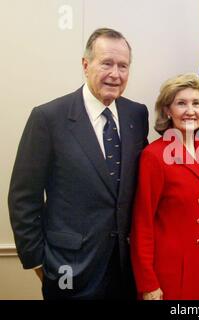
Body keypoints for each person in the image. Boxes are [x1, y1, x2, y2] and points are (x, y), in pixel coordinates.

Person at [8, 28, 149, 299]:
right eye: (106, 63)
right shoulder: (48, 118)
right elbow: (23, 197)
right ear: (86, 65)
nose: (115, 74)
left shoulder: (136, 114)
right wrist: (38, 260)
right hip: (68, 267)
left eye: (123, 66)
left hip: (125, 268)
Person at [130, 73, 199, 300]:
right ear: (167, 110)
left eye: (196, 103)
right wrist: (148, 283)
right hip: (167, 272)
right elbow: (142, 224)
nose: (190, 110)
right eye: (181, 103)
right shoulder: (154, 156)